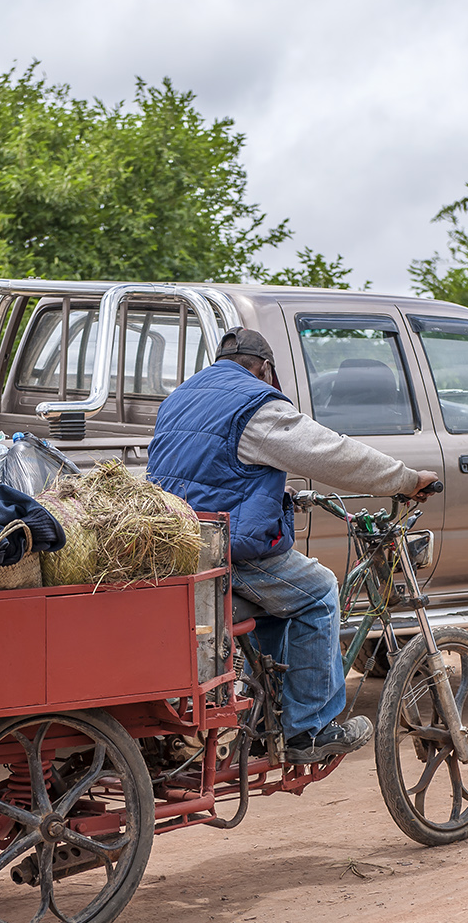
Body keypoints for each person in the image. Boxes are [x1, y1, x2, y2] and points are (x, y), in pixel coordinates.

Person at [147, 326, 440, 763]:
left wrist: (279, 499)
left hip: (179, 543)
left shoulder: (180, 399)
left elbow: (211, 472)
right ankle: (310, 730)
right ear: (264, 370)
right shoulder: (255, 405)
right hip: (227, 548)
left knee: (284, 596)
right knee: (319, 589)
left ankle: (270, 720)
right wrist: (406, 479)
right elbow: (331, 454)